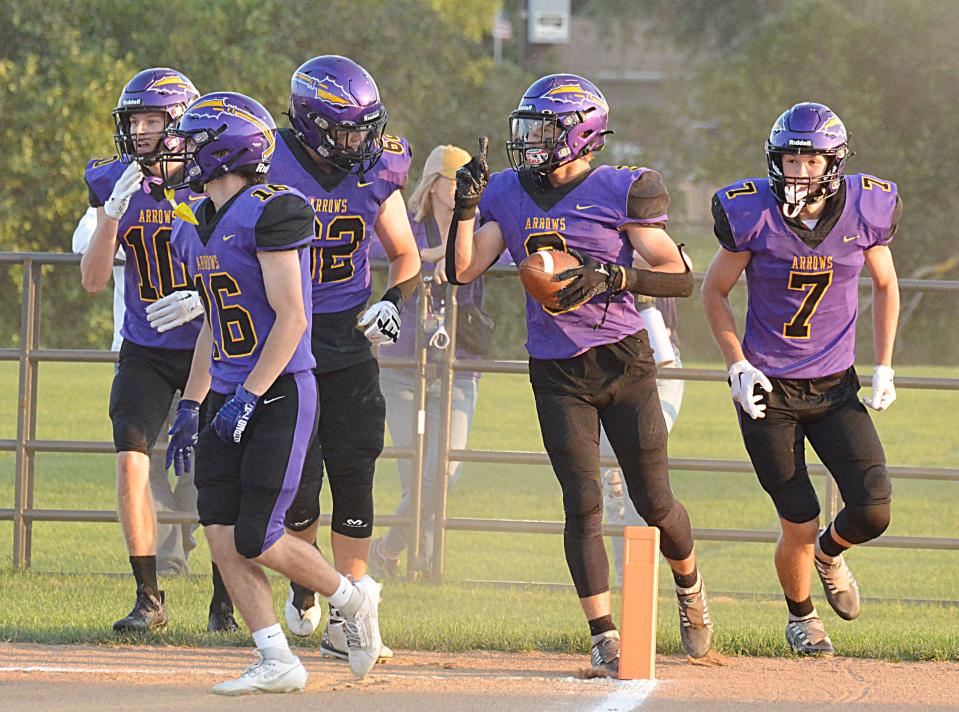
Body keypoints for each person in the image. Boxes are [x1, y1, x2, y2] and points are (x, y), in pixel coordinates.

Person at [445, 74, 713, 675]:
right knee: (583, 501)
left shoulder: (621, 190)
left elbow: (680, 277)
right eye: (529, 126)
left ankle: (690, 587)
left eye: (546, 127)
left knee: (654, 500)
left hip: (623, 359)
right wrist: (465, 208)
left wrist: (614, 277)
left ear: (583, 133)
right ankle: (603, 633)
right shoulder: (510, 191)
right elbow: (462, 271)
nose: (532, 140)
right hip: (556, 369)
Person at [163, 91, 384, 693]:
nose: (180, 150)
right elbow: (214, 321)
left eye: (192, 139)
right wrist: (191, 402)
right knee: (217, 523)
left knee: (258, 533)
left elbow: (292, 318)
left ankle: (350, 596)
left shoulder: (273, 210)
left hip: (280, 390)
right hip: (230, 394)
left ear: (224, 149)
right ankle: (276, 658)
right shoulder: (196, 222)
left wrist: (248, 397)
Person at [701, 102, 900, 656]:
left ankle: (830, 553)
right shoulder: (752, 212)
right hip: (769, 391)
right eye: (790, 158)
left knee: (873, 508)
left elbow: (886, 284)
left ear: (833, 162)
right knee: (799, 518)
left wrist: (883, 363)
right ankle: (802, 616)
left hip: (836, 387)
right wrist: (736, 363)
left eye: (810, 160)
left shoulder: (866, 208)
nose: (798, 171)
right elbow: (713, 292)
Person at [265, 55, 420, 660]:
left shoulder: (379, 168)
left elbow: (405, 255)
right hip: (284, 336)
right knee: (299, 487)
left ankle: (349, 611)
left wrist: (393, 300)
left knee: (355, 471)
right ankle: (307, 586)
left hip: (350, 337)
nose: (363, 143)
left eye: (366, 128)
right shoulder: (267, 160)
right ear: (310, 124)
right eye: (349, 131)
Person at [79, 67, 235, 632]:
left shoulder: (212, 180)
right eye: (134, 120)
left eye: (151, 119)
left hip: (210, 342)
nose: (140, 131)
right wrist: (111, 219)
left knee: (218, 473)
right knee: (131, 461)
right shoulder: (114, 181)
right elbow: (94, 280)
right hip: (144, 347)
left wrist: (203, 294)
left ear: (178, 124)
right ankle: (149, 597)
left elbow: (241, 269)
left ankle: (225, 598)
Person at [368, 144, 501, 577]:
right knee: (416, 473)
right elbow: (371, 252)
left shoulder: (481, 228)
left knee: (444, 473)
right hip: (405, 364)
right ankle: (423, 567)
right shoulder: (409, 226)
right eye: (456, 179)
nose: (464, 188)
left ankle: (388, 551)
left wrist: (459, 259)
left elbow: (520, 255)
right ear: (435, 185)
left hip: (459, 366)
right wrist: (427, 258)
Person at [73, 209, 204, 577]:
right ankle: (167, 560)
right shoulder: (122, 192)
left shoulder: (203, 189)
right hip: (139, 345)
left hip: (205, 349)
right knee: (142, 455)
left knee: (201, 460)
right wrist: (124, 225)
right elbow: (82, 240)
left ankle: (179, 536)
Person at [601, 294, 683, 585]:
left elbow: (678, 264)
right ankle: (629, 585)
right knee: (613, 486)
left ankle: (640, 584)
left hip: (657, 353)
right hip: (603, 362)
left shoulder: (648, 249)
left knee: (639, 475)